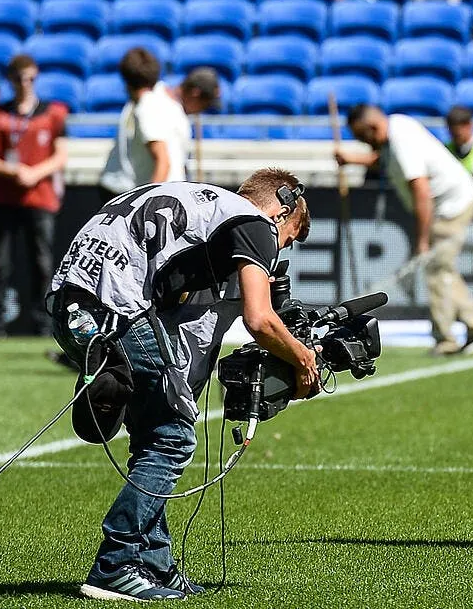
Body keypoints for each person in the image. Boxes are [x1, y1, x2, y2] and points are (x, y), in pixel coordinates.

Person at [48, 168, 315, 600]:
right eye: (289, 237)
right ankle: (115, 565)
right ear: (282, 209)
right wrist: (303, 359)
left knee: (156, 431)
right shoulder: (253, 222)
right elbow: (260, 320)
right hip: (118, 309)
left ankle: (155, 564)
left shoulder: (202, 202)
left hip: (68, 303)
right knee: (173, 437)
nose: (280, 250)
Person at [337, 105, 473, 356]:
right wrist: (351, 159)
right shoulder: (396, 125)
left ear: (372, 128)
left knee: (435, 268)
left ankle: (445, 338)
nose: (365, 144)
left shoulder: (400, 142)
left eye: (363, 138)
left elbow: (421, 190)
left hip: (450, 205)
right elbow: (383, 160)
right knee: (443, 268)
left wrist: (422, 240)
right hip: (453, 200)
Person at [0, 55, 68, 338]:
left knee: (41, 264)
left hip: (39, 197)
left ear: (36, 76)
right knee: (0, 264)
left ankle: (43, 324)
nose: (24, 84)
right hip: (4, 197)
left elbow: (61, 155)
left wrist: (34, 173)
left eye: (29, 78)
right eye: (19, 78)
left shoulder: (52, 113)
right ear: (10, 79)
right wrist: (12, 170)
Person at [98, 48, 192, 199]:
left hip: (150, 195)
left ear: (127, 80)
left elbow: (163, 162)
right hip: (161, 191)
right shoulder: (161, 101)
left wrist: (144, 205)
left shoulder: (146, 107)